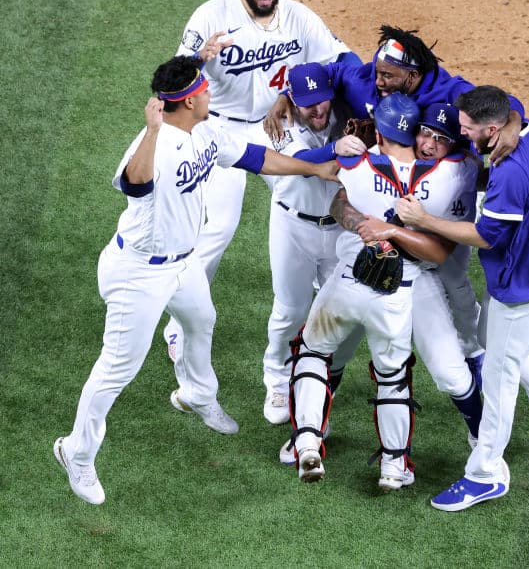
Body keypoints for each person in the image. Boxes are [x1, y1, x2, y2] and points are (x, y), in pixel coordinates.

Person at [53, 56, 342, 505]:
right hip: (139, 274)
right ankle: (77, 450)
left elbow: (255, 156)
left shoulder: (203, 130)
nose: (211, 93)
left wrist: (315, 167)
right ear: (188, 100)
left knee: (201, 319)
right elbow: (135, 183)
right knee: (116, 369)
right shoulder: (154, 144)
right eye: (205, 89)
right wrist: (150, 131)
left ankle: (196, 393)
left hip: (181, 265)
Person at [163, 0, 359, 361]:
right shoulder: (210, 15)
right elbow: (173, 78)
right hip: (219, 128)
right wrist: (200, 58)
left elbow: (339, 58)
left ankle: (315, 283)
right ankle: (179, 325)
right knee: (219, 227)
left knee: (318, 190)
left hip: (274, 127)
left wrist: (290, 92)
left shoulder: (299, 17)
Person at [396, 85, 529, 512]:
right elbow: (513, 102)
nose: (461, 134)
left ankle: (486, 475)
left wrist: (425, 220)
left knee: (498, 380)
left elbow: (485, 236)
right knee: (491, 340)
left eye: (467, 129)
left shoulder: (513, 173)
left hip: (526, 287)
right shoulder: (526, 129)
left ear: (492, 130)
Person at [286, 93, 476, 490]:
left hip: (349, 281)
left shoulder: (357, 163)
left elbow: (334, 194)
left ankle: (306, 442)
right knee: (392, 378)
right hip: (398, 293)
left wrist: (344, 149)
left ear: (381, 131)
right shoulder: (453, 175)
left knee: (313, 352)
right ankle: (393, 466)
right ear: (414, 133)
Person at [266, 25, 524, 164]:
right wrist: (285, 94)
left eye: (388, 76)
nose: (378, 81)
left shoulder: (448, 91)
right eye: (377, 71)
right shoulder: (362, 80)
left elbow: (500, 102)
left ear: (412, 76)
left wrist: (512, 122)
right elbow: (322, 74)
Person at [261, 62, 349, 424]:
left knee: (335, 314)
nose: (318, 110)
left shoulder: (345, 111)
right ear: (292, 100)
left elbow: (350, 63)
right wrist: (338, 148)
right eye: (309, 103)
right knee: (289, 311)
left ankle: (318, 381)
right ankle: (278, 379)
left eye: (323, 100)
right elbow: (297, 160)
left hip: (340, 230)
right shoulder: (276, 123)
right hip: (292, 225)